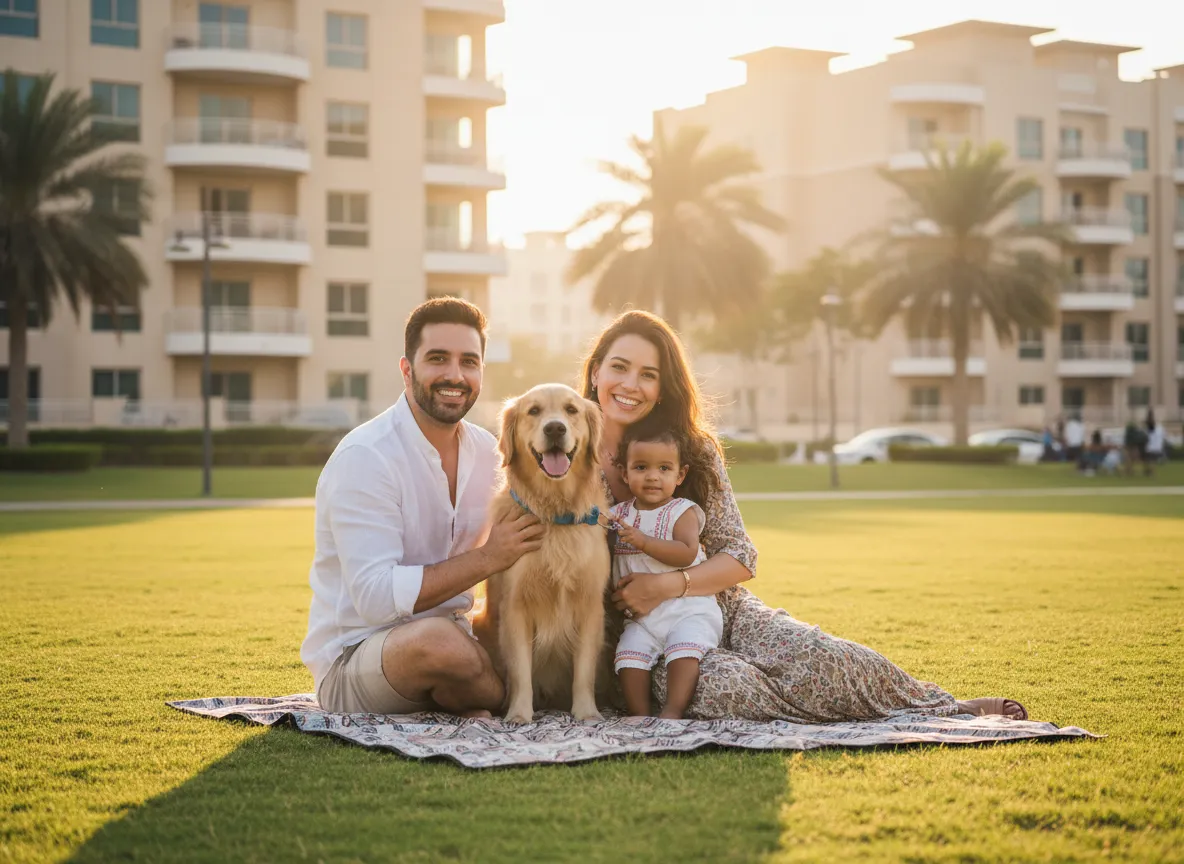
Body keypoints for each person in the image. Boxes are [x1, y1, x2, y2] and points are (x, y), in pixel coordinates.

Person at [581, 310, 1028, 723]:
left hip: (717, 608)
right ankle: (835, 711)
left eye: (649, 374)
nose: (631, 384)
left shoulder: (690, 452)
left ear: (663, 388)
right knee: (727, 687)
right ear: (596, 371)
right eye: (620, 367)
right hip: (631, 637)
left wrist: (666, 585)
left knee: (823, 657)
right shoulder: (566, 458)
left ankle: (940, 706)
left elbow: (739, 556)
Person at [301, 298, 544, 717]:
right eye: (438, 359)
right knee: (440, 644)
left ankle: (470, 690)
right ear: (406, 369)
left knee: (522, 642)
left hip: (458, 637)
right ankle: (489, 693)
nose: (455, 375)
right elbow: (376, 598)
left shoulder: (489, 453)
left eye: (469, 362)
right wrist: (489, 557)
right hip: (355, 660)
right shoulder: (366, 457)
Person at [608, 418, 723, 719]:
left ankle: (673, 710)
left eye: (663, 468)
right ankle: (640, 715)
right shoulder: (617, 515)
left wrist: (644, 541)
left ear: (680, 474)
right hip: (642, 618)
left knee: (683, 651)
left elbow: (686, 553)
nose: (652, 477)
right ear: (624, 473)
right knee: (628, 657)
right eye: (641, 467)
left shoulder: (681, 511)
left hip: (687, 610)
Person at [1144, 412, 1165, 477]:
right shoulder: (1159, 429)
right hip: (1155, 447)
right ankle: (1152, 473)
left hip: (1150, 447)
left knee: (1151, 461)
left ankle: (1150, 472)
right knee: (1153, 461)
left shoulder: (1149, 430)